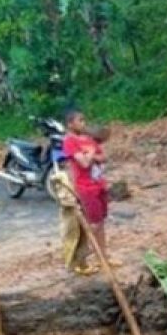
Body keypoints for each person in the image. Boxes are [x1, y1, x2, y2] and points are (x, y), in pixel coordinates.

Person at [58, 108, 111, 275]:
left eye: (84, 120)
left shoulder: (88, 139)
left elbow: (103, 158)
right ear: (70, 124)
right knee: (93, 224)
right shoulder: (69, 141)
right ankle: (82, 258)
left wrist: (90, 154)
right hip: (85, 187)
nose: (83, 123)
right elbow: (84, 164)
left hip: (99, 184)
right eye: (80, 121)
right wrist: (91, 155)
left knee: (101, 222)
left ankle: (103, 257)